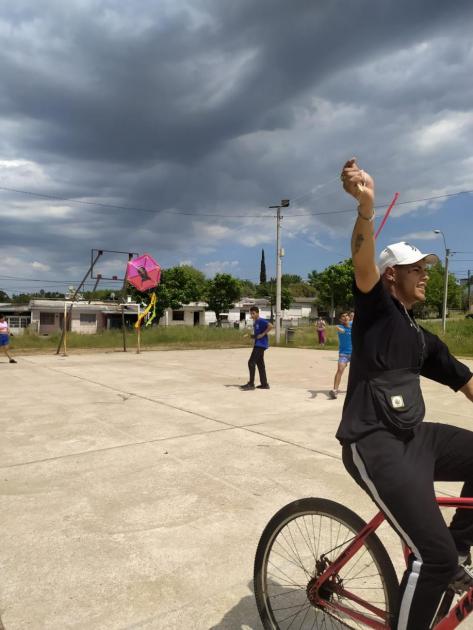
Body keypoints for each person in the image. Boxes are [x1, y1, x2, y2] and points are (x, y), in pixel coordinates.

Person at [336, 158, 473, 630]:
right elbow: (361, 258)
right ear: (392, 274)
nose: (426, 275)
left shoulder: (422, 338)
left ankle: (459, 545)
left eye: (427, 268)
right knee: (430, 559)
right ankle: (440, 560)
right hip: (374, 442)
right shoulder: (375, 308)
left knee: (446, 549)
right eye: (417, 268)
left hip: (415, 437)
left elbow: (464, 379)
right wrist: (366, 209)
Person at [240, 306, 272, 390]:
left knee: (251, 362)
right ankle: (264, 384)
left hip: (261, 345)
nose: (252, 315)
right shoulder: (255, 322)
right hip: (259, 344)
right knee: (260, 364)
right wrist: (249, 336)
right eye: (251, 313)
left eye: (253, 313)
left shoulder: (261, 320)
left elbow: (270, 326)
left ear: (257, 313)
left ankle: (251, 384)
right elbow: (257, 336)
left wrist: (263, 334)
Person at [329, 312, 352, 399]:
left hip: (355, 354)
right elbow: (341, 330)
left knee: (359, 371)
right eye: (343, 316)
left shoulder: (353, 324)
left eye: (346, 315)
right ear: (340, 319)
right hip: (344, 354)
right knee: (340, 369)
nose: (345, 317)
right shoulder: (339, 327)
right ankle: (335, 390)